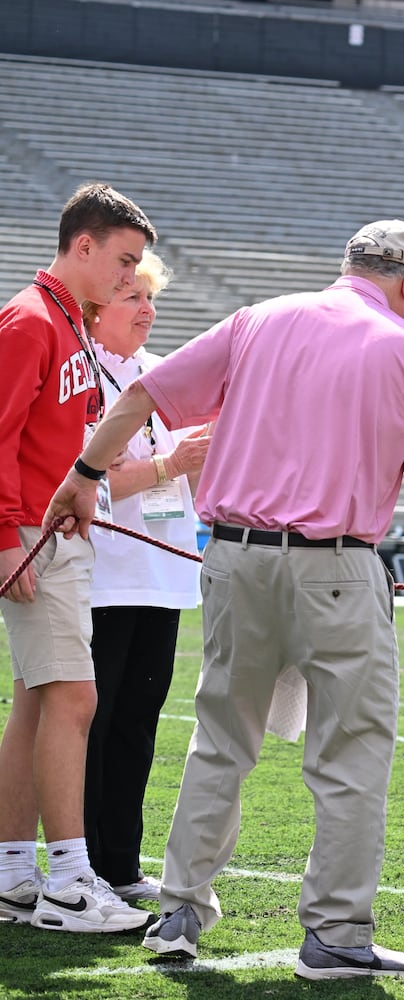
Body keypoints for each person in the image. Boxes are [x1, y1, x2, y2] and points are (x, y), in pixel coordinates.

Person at [46, 219, 404, 977]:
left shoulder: (257, 319)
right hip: (338, 565)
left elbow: (142, 392)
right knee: (350, 757)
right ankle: (335, 935)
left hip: (236, 558)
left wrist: (83, 473)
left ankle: (176, 910)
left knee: (220, 741)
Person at [0, 183, 157, 934]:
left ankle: (11, 873)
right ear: (83, 245)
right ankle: (67, 883)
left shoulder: (67, 322)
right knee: (74, 700)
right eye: (124, 260)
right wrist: (5, 533)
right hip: (29, 534)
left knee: (37, 703)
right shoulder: (32, 320)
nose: (132, 278)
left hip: (51, 530)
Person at [81, 250, 210, 904]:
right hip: (102, 575)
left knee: (138, 724)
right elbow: (85, 484)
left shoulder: (163, 375)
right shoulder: (82, 376)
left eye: (150, 298)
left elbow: (186, 475)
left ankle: (120, 865)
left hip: (162, 575)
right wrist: (170, 465)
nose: (147, 310)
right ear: (96, 305)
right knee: (93, 726)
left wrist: (202, 460)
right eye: (131, 296)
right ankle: (79, 866)